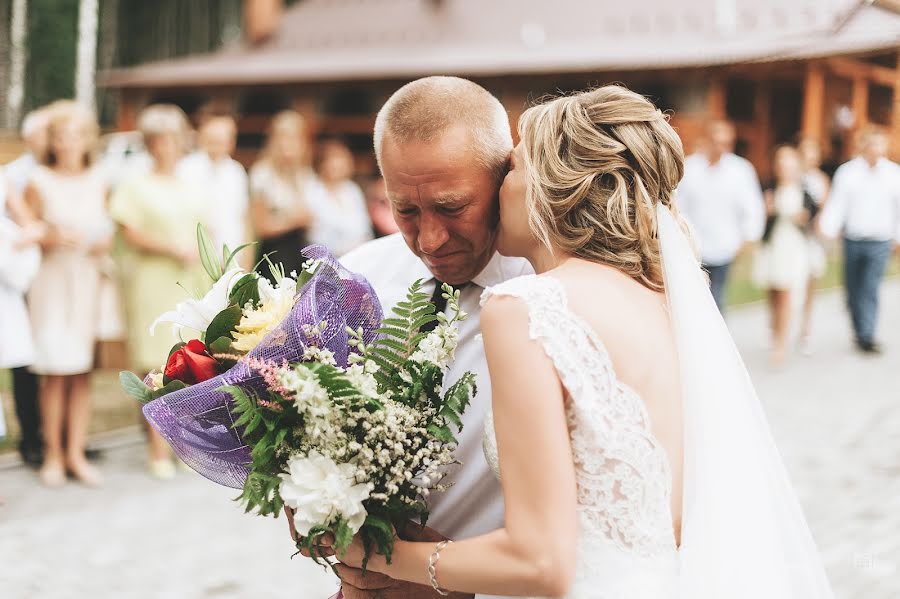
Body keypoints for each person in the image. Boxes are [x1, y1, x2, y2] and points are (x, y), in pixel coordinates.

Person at [317, 84, 833, 599]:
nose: (430, 238)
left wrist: (386, 557)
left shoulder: (529, 309)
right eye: (404, 210)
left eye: (512, 170)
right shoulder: (658, 296)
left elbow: (543, 561)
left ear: (544, 184)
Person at [109, 104, 210, 479]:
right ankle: (156, 449)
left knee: (191, 359)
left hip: (190, 279)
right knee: (156, 361)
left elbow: (207, 231)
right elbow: (129, 232)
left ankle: (184, 444)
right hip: (153, 280)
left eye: (172, 138)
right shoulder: (135, 185)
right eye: (158, 139)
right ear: (149, 144)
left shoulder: (192, 184)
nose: (166, 146)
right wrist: (170, 247)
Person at [25, 101, 111, 487]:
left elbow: (109, 232)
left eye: (75, 135)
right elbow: (26, 237)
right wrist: (50, 235)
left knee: (81, 371)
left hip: (88, 280)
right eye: (60, 136)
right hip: (52, 282)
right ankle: (53, 455)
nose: (68, 142)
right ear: (52, 142)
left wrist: (100, 242)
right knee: (54, 371)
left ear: (87, 139)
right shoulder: (38, 180)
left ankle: (76, 452)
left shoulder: (101, 179)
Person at [819, 126, 900, 354]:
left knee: (871, 287)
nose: (876, 149)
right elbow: (837, 205)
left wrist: (898, 238)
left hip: (880, 241)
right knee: (853, 289)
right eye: (871, 144)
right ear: (863, 147)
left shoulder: (894, 174)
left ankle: (868, 335)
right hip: (853, 239)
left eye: (880, 144)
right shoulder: (848, 172)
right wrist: (828, 227)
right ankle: (859, 329)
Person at [676, 120, 764, 313]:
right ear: (706, 140)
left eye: (726, 142)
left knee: (717, 299)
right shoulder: (689, 168)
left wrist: (749, 238)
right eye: (716, 141)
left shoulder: (741, 170)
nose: (720, 147)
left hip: (726, 246)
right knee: (692, 299)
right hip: (694, 247)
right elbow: (678, 206)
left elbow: (752, 207)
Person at [3, 107, 49, 467]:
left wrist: (25, 235)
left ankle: (39, 437)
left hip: (17, 282)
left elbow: (29, 227)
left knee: (32, 365)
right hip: (12, 279)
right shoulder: (12, 175)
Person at [753, 146, 813, 367]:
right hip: (773, 246)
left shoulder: (804, 192)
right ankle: (774, 330)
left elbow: (811, 217)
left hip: (792, 247)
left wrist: (803, 218)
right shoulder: (769, 188)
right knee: (774, 293)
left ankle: (781, 344)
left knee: (786, 293)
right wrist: (766, 211)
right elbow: (759, 220)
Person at [249, 110, 315, 280]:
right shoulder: (262, 175)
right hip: (274, 257)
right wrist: (294, 220)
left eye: (295, 139)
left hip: (299, 255)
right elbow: (261, 226)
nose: (289, 145)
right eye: (284, 138)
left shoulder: (304, 173)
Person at [177, 112, 250, 255]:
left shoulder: (236, 172)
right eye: (213, 139)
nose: (218, 144)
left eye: (223, 139)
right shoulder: (185, 169)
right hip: (194, 257)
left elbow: (243, 218)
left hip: (232, 259)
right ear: (202, 137)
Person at [307, 138, 373, 255]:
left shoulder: (352, 190)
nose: (340, 164)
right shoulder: (312, 190)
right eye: (334, 159)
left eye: (343, 159)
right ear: (322, 163)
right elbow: (315, 235)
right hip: (325, 260)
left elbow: (365, 228)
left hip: (359, 254)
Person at [797, 138, 831, 355]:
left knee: (810, 283)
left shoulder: (822, 180)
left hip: (812, 239)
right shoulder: (792, 178)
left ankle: (805, 331)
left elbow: (826, 209)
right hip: (794, 238)